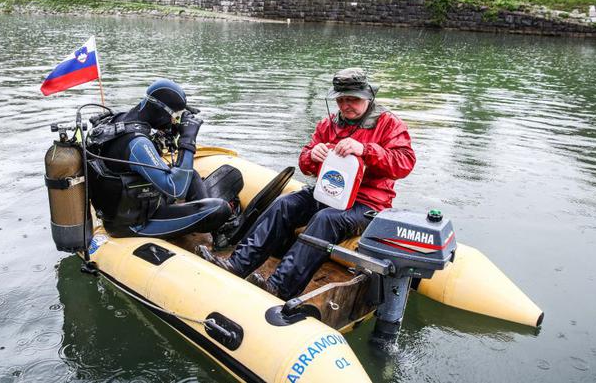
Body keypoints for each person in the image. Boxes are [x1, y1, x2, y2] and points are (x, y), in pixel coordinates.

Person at [198, 68, 416, 300]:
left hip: (367, 203)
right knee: (285, 204)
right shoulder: (328, 124)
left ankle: (280, 287)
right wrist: (312, 155)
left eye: (352, 99)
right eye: (341, 100)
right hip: (327, 192)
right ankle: (237, 265)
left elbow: (405, 162)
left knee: (326, 219)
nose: (345, 105)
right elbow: (306, 164)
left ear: (368, 97)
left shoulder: (388, 123)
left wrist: (365, 150)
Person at [87, 78, 231, 239]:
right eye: (175, 116)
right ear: (161, 112)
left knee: (192, 175)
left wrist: (169, 129)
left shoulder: (120, 120)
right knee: (219, 209)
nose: (175, 121)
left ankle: (212, 227)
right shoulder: (137, 143)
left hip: (129, 201)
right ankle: (220, 236)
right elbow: (177, 189)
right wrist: (188, 139)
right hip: (133, 224)